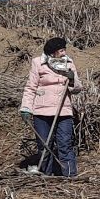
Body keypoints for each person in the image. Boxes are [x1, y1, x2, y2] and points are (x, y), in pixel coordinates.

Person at [20, 36, 83, 177]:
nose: (64, 53)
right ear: (52, 52)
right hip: (41, 111)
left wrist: (72, 79)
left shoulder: (69, 63)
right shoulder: (38, 63)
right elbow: (30, 87)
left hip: (63, 111)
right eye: (61, 51)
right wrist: (25, 108)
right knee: (44, 145)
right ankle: (46, 175)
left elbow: (77, 89)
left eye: (64, 50)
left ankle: (70, 175)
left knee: (65, 144)